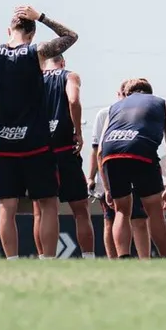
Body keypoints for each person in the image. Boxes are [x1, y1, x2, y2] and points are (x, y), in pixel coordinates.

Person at [0, 6, 79, 260]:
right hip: (36, 140)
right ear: (32, 34)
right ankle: (48, 262)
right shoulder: (36, 52)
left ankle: (12, 262)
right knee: (47, 203)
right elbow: (71, 36)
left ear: (8, 31)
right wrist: (41, 17)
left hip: (5, 141)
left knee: (6, 206)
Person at [99, 78, 166, 258]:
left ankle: (123, 259)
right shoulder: (164, 105)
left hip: (112, 154)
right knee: (154, 210)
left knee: (121, 210)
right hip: (141, 151)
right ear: (150, 93)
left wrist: (107, 188)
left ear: (126, 94)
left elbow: (100, 151)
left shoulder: (114, 108)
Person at [37, 54, 94, 258]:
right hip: (64, 149)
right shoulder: (69, 76)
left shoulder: (34, 78)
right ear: (63, 62)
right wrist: (77, 130)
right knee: (80, 209)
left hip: (39, 151)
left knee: (41, 211)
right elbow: (73, 100)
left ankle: (45, 259)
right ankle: (88, 258)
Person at [92, 93, 150, 258]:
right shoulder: (105, 113)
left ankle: (145, 261)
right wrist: (94, 178)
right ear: (120, 95)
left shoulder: (144, 113)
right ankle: (116, 261)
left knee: (139, 218)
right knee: (111, 219)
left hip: (136, 171)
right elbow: (97, 151)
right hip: (110, 172)